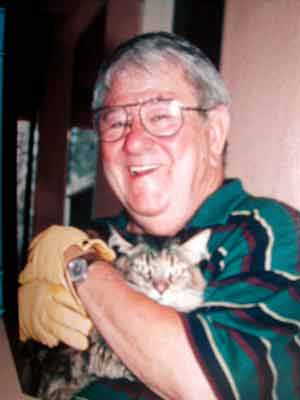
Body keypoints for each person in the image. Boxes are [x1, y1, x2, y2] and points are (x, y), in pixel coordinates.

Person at [18, 32, 300, 399]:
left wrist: (79, 265)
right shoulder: (89, 234)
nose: (133, 142)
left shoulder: (269, 233)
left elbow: (207, 387)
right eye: (116, 122)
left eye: (161, 115)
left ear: (214, 133)